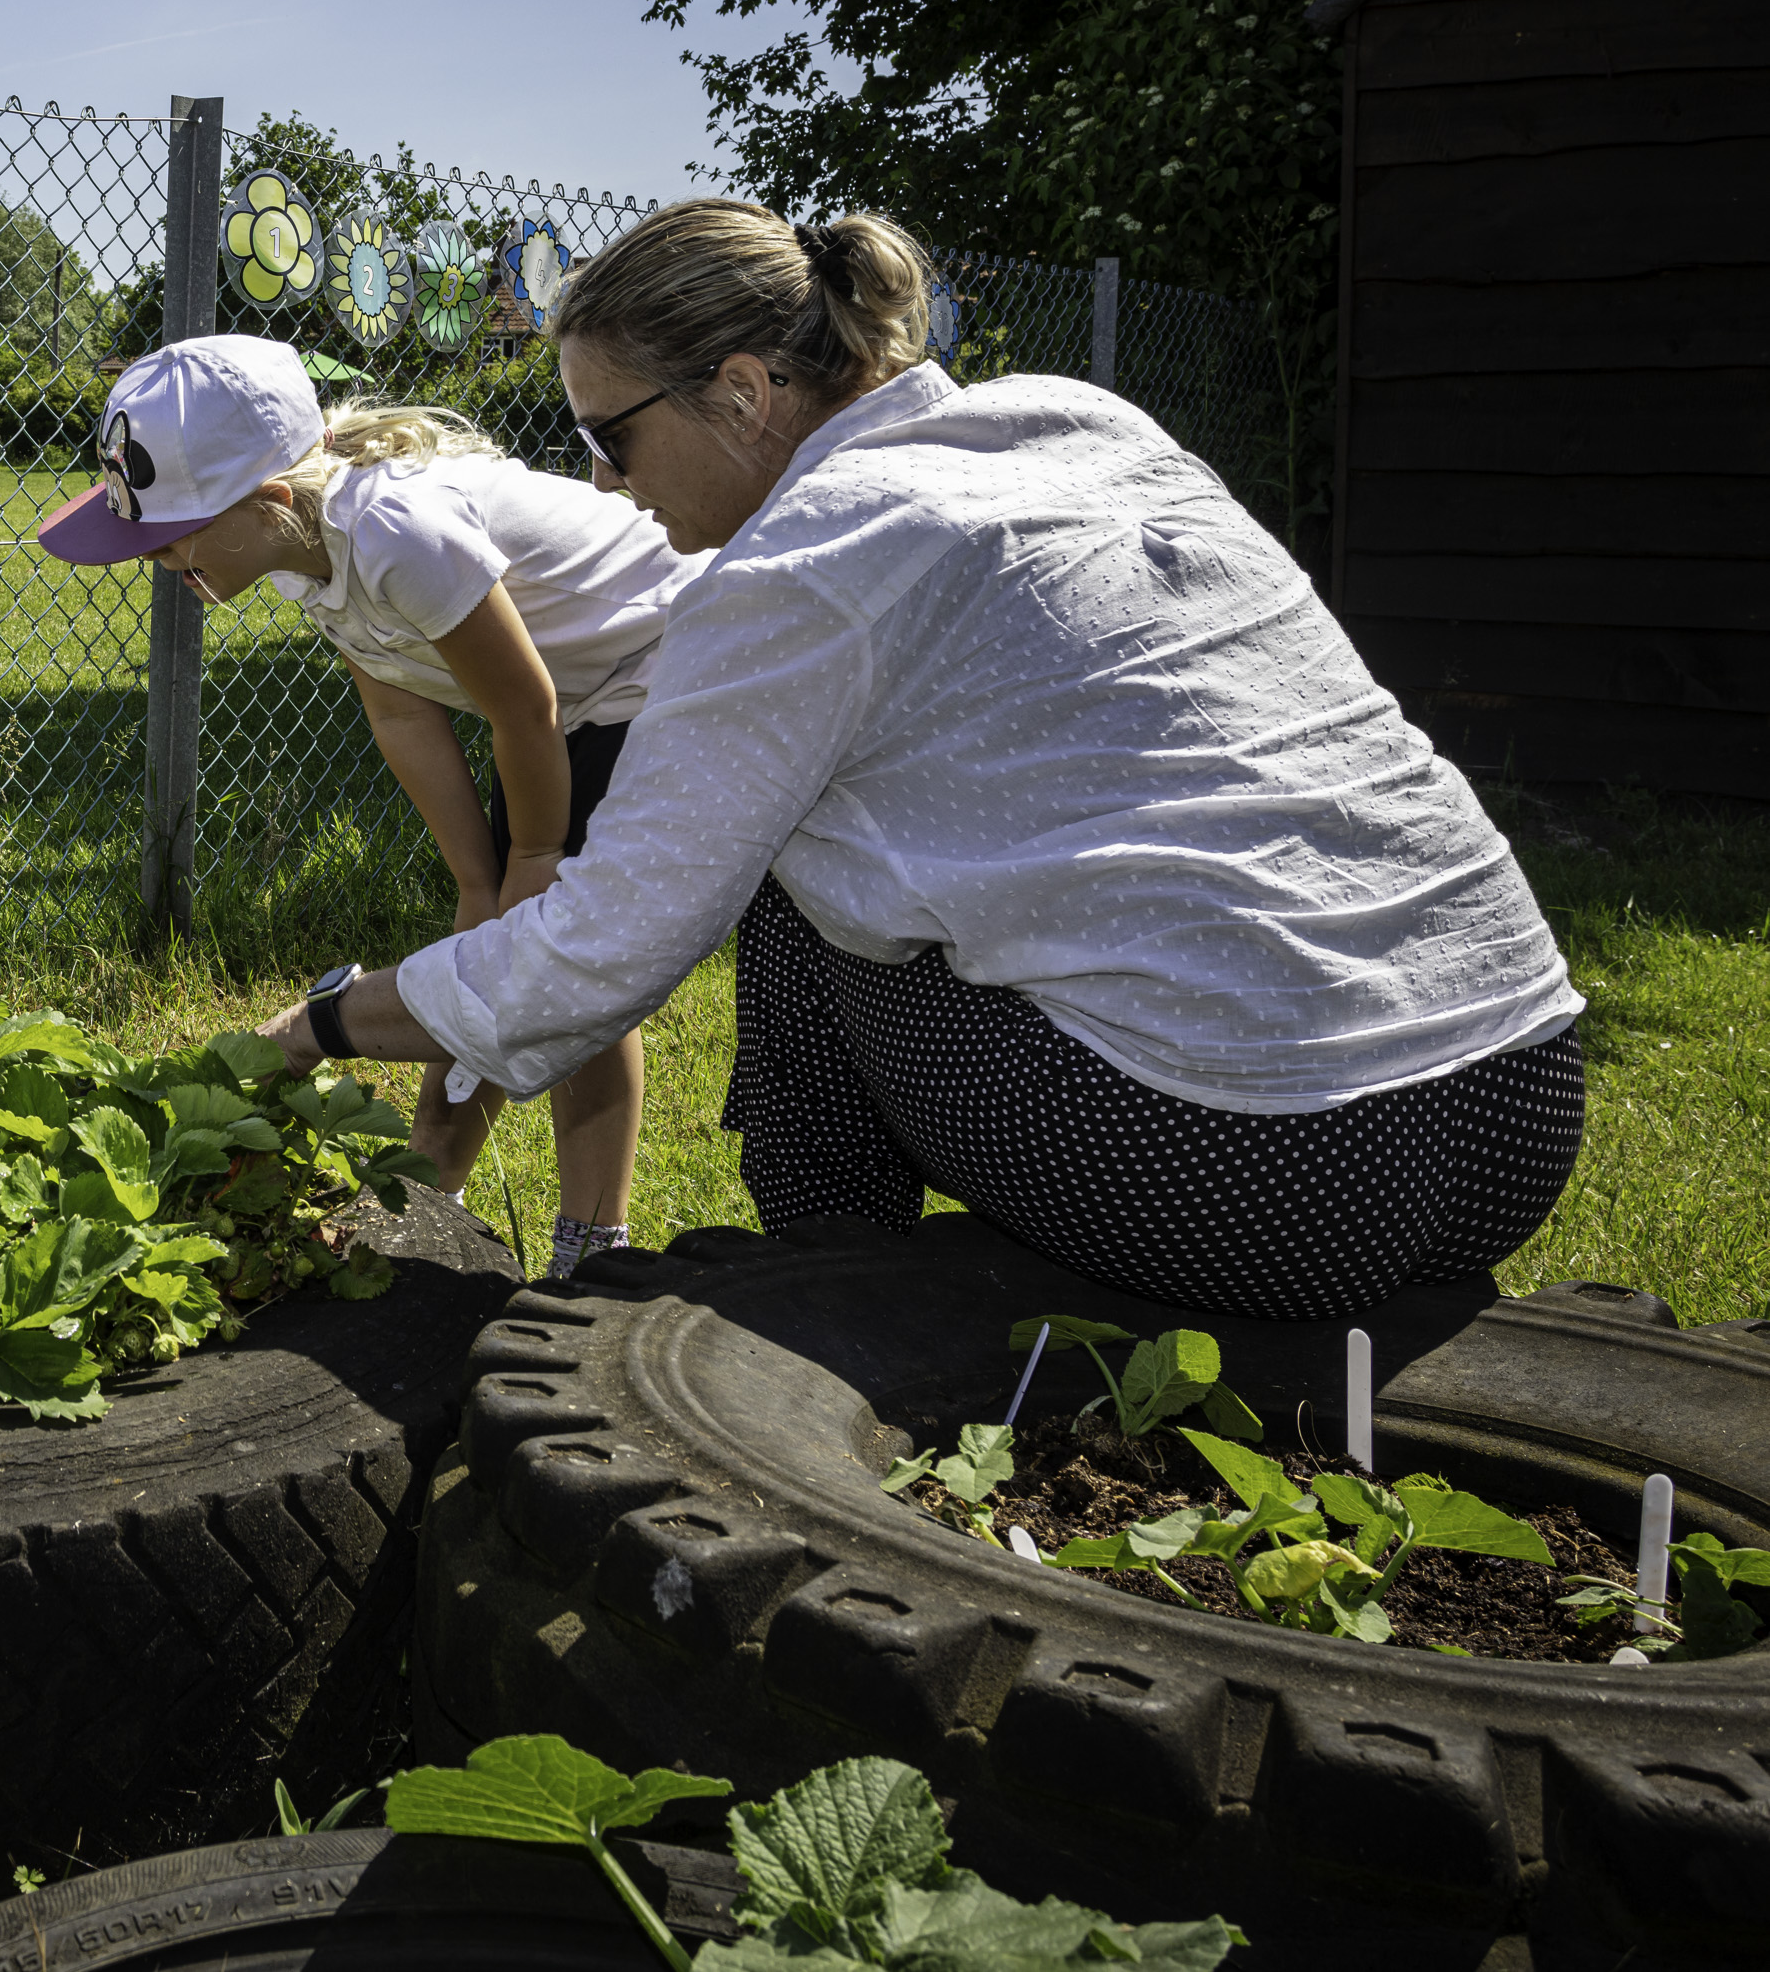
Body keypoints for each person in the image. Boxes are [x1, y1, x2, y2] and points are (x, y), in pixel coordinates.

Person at [253, 200, 1586, 1321]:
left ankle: (837, 1302)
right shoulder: (1080, 422)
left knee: (775, 871)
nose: (605, 483)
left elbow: (598, 953)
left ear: (744, 393)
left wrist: (323, 1019)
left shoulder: (797, 567)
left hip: (1268, 1168)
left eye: (614, 436)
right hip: (1520, 1095)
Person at [41, 335, 706, 1278]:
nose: (160, 562)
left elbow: (526, 707)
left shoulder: (393, 528)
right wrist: (481, 882)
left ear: (267, 501)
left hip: (657, 666)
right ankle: (433, 1196)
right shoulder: (298, 547)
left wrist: (533, 861)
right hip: (569, 700)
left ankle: (592, 1245)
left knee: (566, 960)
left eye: (169, 537)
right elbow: (399, 708)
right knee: (492, 940)